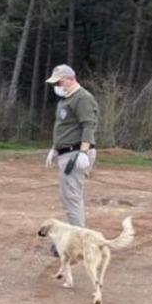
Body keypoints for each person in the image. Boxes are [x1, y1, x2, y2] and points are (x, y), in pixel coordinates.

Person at [45, 64, 98, 228]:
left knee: (71, 198)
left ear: (71, 79)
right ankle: (77, 236)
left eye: (59, 82)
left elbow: (88, 125)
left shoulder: (82, 98)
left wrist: (83, 152)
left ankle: (79, 241)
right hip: (66, 152)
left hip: (75, 154)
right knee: (70, 197)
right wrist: (55, 148)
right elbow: (64, 127)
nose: (57, 86)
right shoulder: (66, 99)